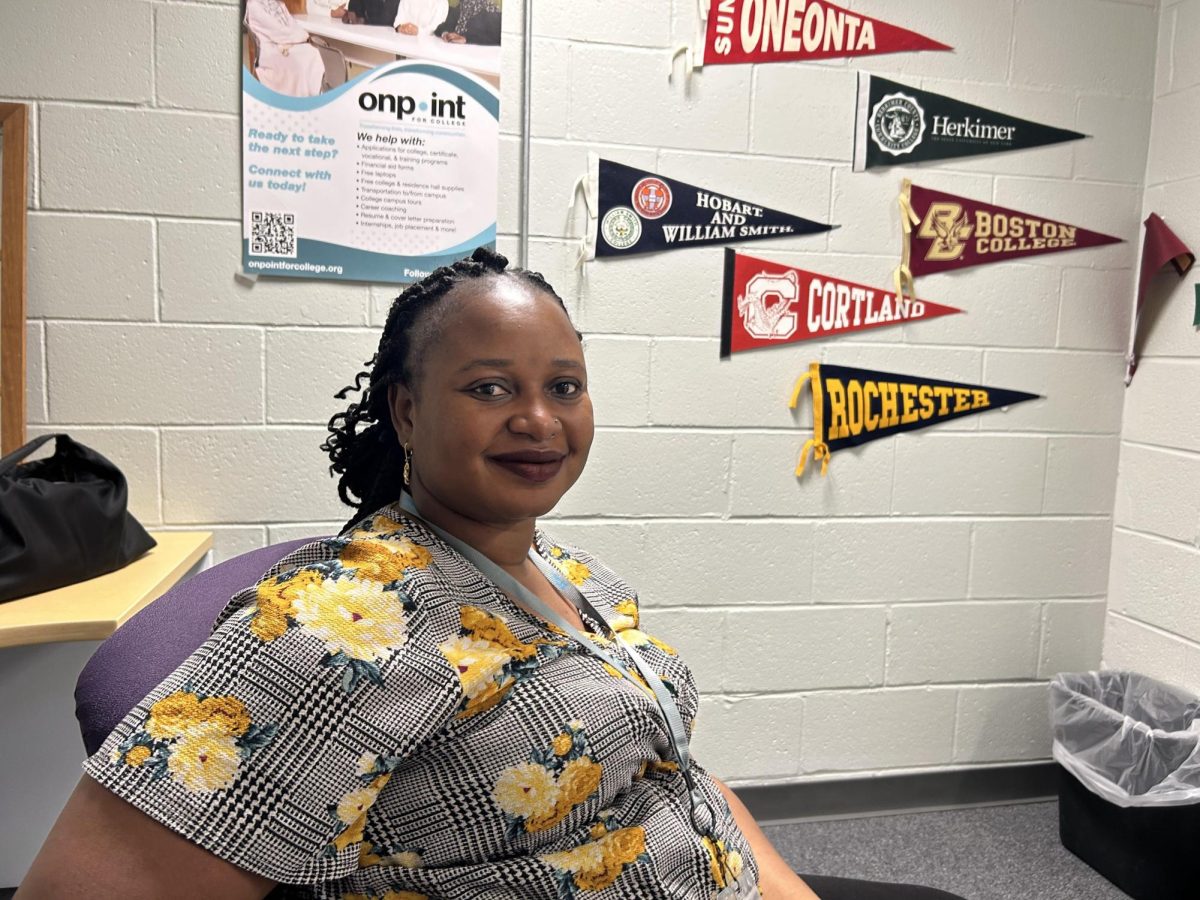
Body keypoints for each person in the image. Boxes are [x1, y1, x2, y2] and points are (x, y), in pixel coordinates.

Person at [18, 248, 967, 900]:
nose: (539, 420)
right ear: (406, 411)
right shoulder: (343, 622)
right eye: (488, 388)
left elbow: (676, 769)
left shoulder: (568, 571)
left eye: (563, 386)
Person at [244, 0, 325, 97]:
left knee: (313, 52)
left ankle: (312, 96)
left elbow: (292, 24)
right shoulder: (254, 6)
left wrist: (301, 36)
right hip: (271, 49)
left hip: (286, 42)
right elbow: (277, 31)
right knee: (301, 62)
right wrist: (302, 36)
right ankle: (299, 99)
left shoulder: (277, 3)